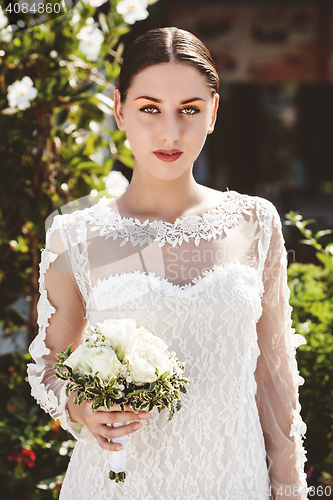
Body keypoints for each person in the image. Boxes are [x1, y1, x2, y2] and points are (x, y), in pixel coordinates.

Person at [27, 27, 308, 500]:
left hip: (232, 480)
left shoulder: (256, 222)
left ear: (213, 112)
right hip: (117, 484)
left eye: (190, 110)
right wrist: (80, 405)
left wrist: (289, 488)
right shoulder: (74, 235)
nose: (170, 132)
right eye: (150, 108)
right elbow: (49, 367)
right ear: (119, 109)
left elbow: (275, 377)